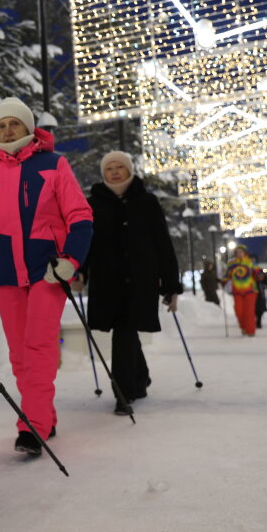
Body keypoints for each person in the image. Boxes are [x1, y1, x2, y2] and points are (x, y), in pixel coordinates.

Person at [0, 98, 94, 456]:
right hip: (7, 271)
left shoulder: (53, 164)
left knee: (39, 346)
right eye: (2, 125)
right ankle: (44, 417)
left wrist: (72, 259)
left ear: (28, 127)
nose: (8, 130)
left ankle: (32, 426)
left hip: (48, 270)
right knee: (19, 353)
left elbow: (80, 215)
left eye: (15, 123)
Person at [79, 151, 183, 416]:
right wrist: (80, 272)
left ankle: (123, 393)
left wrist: (171, 285)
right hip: (107, 280)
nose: (114, 172)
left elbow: (162, 243)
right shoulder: (93, 204)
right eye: (109, 168)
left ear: (129, 170)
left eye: (119, 167)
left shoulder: (147, 201)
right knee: (125, 330)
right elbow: (86, 242)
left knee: (124, 330)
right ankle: (140, 377)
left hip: (141, 279)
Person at [221, 245, 263, 336]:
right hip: (237, 291)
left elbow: (258, 271)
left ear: (245, 253)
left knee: (249, 311)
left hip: (250, 290)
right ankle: (243, 327)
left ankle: (250, 331)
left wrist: (259, 276)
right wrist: (223, 281)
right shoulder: (232, 264)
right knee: (239, 311)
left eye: (241, 252)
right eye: (237, 252)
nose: (239, 253)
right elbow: (227, 275)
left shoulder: (250, 262)